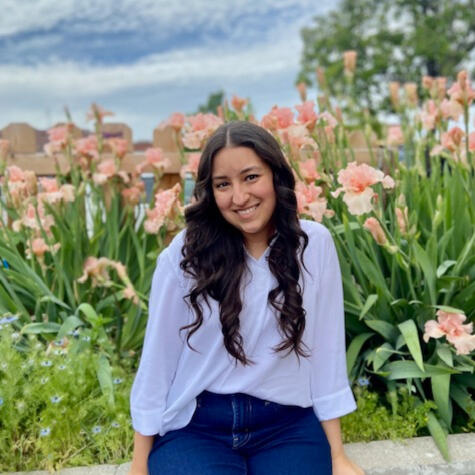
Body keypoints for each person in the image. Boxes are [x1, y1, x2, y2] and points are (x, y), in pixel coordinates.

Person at [129, 121, 364, 475]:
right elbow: (157, 360)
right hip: (197, 428)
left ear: (275, 175)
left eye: (251, 177)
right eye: (223, 184)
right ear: (211, 192)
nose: (239, 197)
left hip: (287, 426)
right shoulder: (185, 254)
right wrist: (138, 464)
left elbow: (326, 352)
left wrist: (337, 456)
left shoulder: (313, 245)